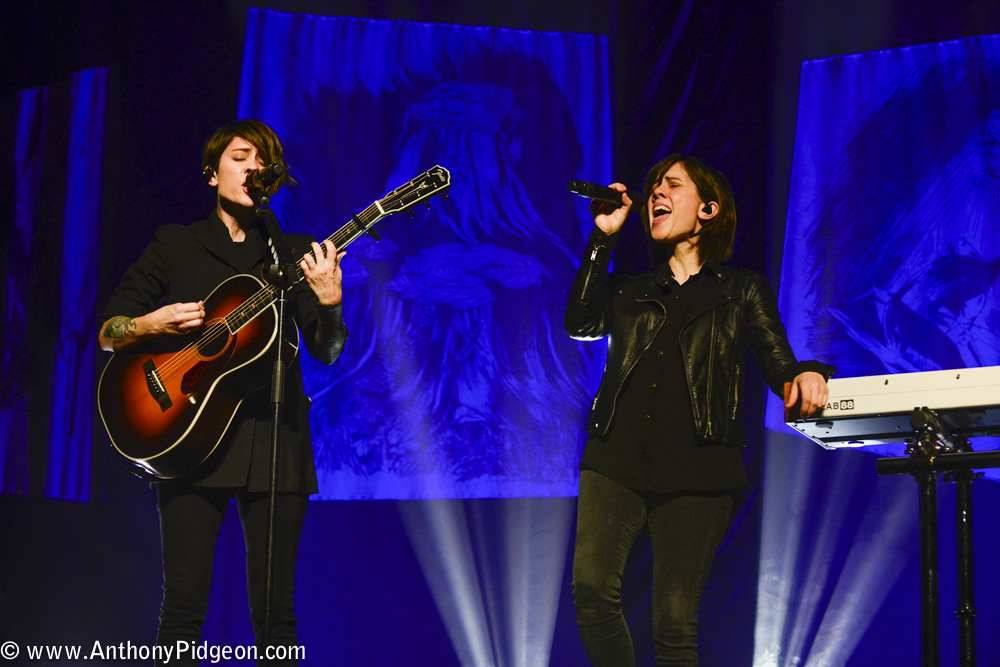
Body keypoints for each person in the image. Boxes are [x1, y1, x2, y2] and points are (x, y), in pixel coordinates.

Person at [564, 154, 834, 666]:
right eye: (653, 187)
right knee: (592, 591)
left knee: (674, 621)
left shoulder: (741, 290)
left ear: (707, 210)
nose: (656, 194)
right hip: (615, 457)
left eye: (672, 185)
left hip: (700, 465)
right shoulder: (630, 290)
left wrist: (809, 373)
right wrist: (602, 238)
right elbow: (579, 323)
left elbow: (779, 362)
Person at [97, 119, 347, 665]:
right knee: (183, 608)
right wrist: (150, 324)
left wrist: (329, 304)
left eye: (263, 161)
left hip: (275, 438)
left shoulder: (294, 252)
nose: (252, 168)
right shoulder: (175, 243)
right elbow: (108, 331)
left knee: (276, 614)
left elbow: (326, 351)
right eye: (240, 157)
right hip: (187, 432)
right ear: (212, 173)